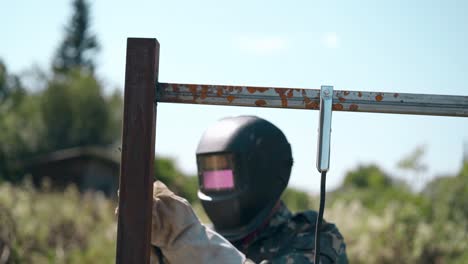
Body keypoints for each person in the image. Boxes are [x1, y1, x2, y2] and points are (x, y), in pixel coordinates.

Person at [149, 116, 347, 263]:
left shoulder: (315, 238)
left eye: (226, 174)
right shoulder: (201, 238)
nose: (218, 184)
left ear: (264, 174)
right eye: (211, 174)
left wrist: (183, 238)